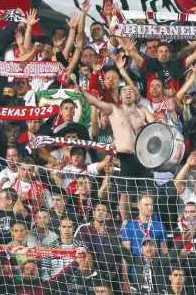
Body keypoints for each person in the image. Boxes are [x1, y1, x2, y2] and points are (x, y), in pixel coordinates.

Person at [79, 84, 156, 222]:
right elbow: (94, 102)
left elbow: (156, 125)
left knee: (148, 191)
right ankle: (126, 223)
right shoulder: (113, 109)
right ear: (120, 96)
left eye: (131, 90)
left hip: (143, 156)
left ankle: (149, 221)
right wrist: (83, 92)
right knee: (125, 193)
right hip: (124, 156)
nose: (128, 92)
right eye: (124, 91)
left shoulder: (143, 110)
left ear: (135, 95)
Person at [41, 216, 87, 281]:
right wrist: (51, 285)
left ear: (73, 228)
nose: (67, 230)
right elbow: (45, 271)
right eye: (64, 227)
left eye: (69, 227)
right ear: (59, 228)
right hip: (55, 285)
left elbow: (86, 269)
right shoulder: (50, 248)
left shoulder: (82, 246)